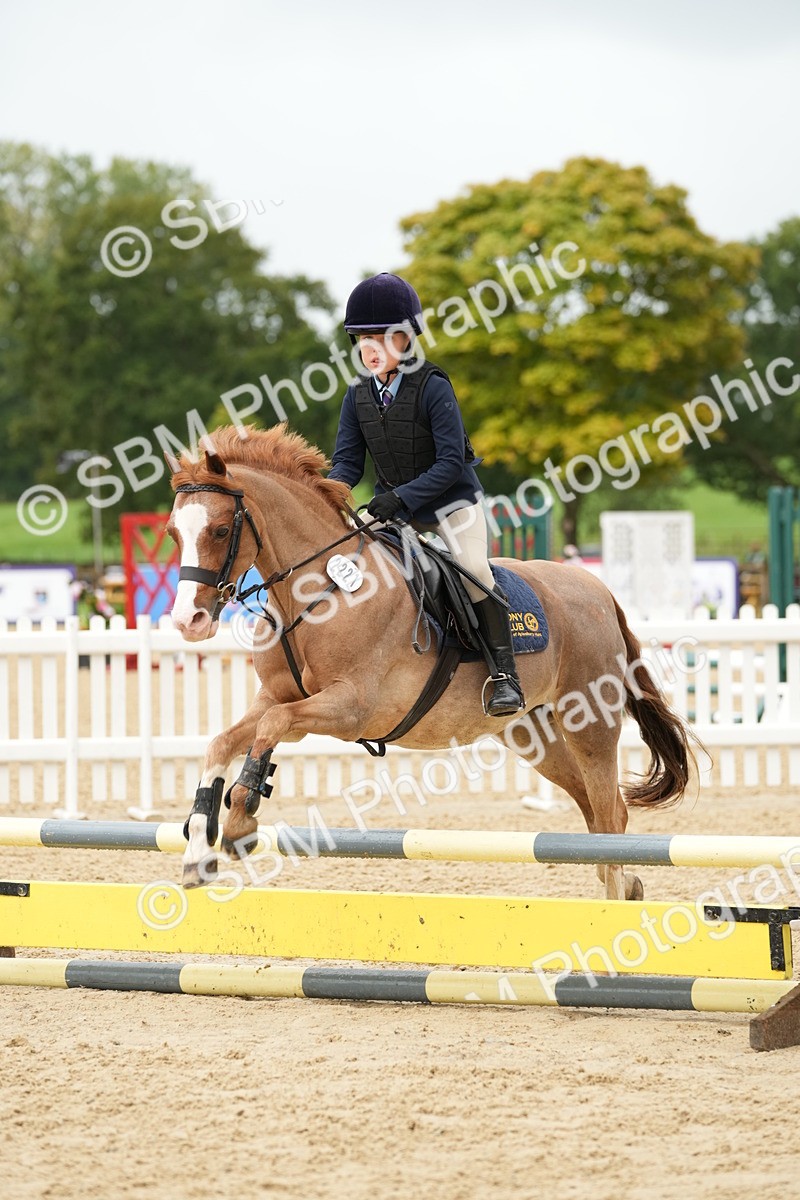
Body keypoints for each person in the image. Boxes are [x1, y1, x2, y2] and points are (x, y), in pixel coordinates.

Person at [327, 272, 524, 717]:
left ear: (406, 337)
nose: (370, 348)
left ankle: (505, 677)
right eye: (362, 338)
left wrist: (399, 498)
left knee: (473, 569)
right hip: (394, 508)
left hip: (451, 504)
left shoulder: (433, 385)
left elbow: (451, 461)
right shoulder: (356, 395)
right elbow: (347, 464)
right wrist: (325, 492)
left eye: (380, 337)